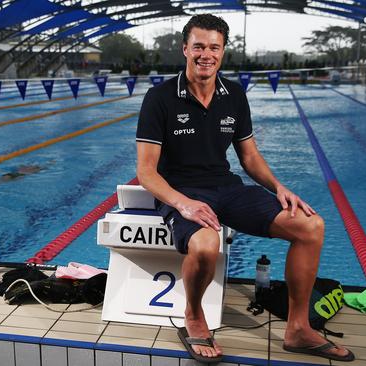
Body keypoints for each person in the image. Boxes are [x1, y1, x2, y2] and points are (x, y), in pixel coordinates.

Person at [135, 14, 354, 363]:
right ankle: (193, 315)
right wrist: (184, 204)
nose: (206, 54)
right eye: (198, 46)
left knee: (311, 227)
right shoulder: (159, 98)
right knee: (207, 245)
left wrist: (279, 187)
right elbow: (146, 172)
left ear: (223, 51)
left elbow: (249, 156)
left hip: (227, 187)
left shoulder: (234, 95)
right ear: (184, 49)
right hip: (182, 192)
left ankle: (297, 330)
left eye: (213, 47)